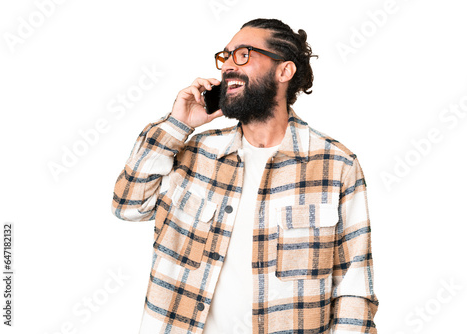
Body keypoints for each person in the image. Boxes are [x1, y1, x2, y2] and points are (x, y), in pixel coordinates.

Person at [112, 18, 378, 334]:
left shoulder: (337, 165)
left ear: (284, 71)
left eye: (243, 54)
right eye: (225, 56)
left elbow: (354, 287)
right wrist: (177, 124)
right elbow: (128, 205)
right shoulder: (195, 153)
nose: (227, 66)